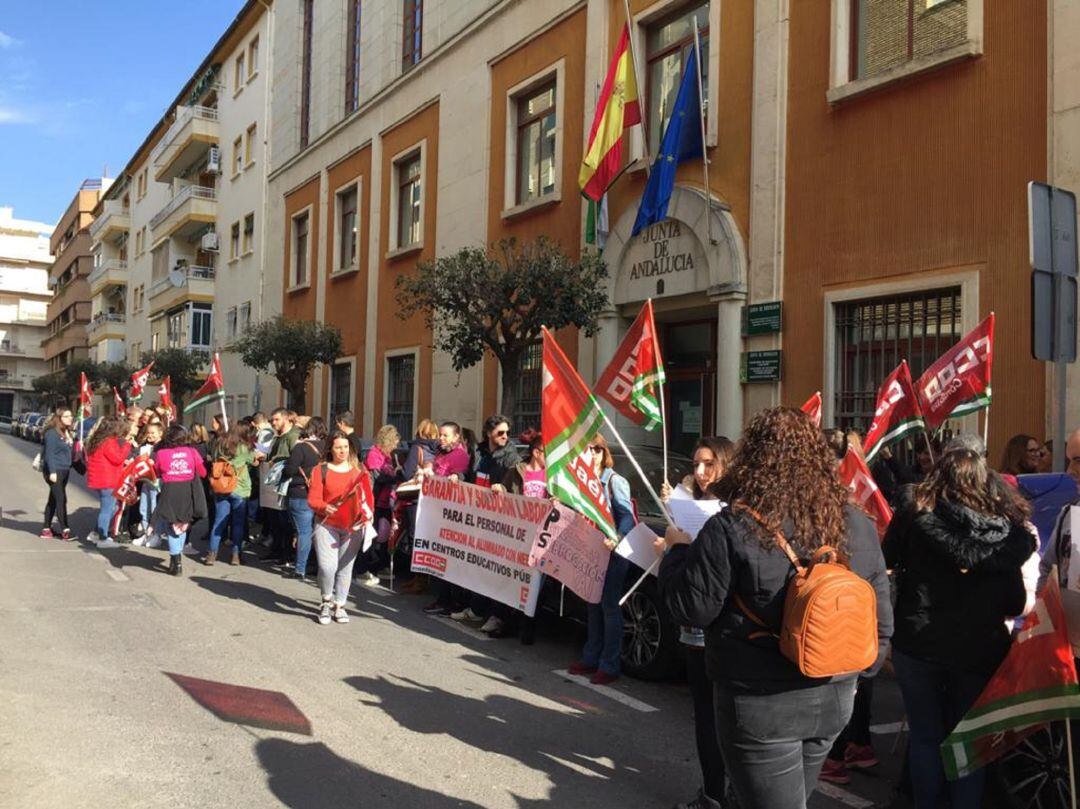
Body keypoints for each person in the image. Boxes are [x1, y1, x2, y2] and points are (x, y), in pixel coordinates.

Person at [657, 407, 892, 809]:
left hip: (759, 702)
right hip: (834, 693)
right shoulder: (855, 522)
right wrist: (855, 677)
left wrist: (676, 553)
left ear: (753, 460)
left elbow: (690, 608)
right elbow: (880, 619)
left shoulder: (733, 526)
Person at [885, 449, 1034, 808]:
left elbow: (887, 558)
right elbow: (1014, 603)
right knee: (967, 740)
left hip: (919, 641)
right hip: (978, 646)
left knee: (925, 737)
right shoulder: (1004, 530)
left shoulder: (916, 516)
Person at [656, 436, 735, 809]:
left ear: (726, 464)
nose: (701, 472)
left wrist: (678, 549)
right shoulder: (692, 503)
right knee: (705, 717)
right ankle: (714, 791)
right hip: (695, 632)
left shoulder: (732, 512)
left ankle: (720, 795)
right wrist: (670, 546)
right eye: (696, 464)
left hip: (722, 631)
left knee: (723, 720)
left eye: (709, 464)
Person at [567, 433, 636, 684]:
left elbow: (626, 515)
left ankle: (609, 665)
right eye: (588, 449)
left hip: (613, 553)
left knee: (609, 607)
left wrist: (618, 537)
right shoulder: (581, 480)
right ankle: (590, 657)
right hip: (591, 551)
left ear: (604, 452)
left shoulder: (614, 481)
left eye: (597, 449)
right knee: (592, 605)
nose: (593, 454)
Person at [307, 430, 375, 625]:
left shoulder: (359, 472)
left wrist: (368, 516)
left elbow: (368, 500)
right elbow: (313, 499)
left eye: (345, 447)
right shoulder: (320, 470)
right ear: (330, 449)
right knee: (327, 567)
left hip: (352, 527)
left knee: (345, 567)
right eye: (338, 447)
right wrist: (323, 506)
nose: (343, 451)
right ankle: (326, 600)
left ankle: (340, 605)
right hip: (326, 524)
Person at [151, 425, 208, 576]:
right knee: (182, 525)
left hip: (169, 492)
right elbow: (203, 473)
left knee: (172, 527)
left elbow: (157, 473)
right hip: (188, 492)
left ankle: (176, 561)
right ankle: (176, 558)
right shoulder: (192, 451)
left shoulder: (161, 453)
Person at [396, 419, 440, 594]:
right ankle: (421, 578)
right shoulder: (438, 450)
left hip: (414, 498)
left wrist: (398, 469)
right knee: (425, 539)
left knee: (415, 538)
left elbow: (407, 473)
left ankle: (418, 579)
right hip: (431, 499)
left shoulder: (417, 448)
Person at [206, 421, 256, 566]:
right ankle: (236, 555)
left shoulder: (220, 444)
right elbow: (253, 461)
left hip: (222, 486)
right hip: (239, 487)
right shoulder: (244, 447)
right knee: (238, 523)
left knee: (218, 522)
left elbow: (214, 460)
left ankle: (211, 554)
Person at [283, 416, 327, 580]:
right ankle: (320, 566)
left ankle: (300, 569)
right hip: (322, 495)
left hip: (301, 492)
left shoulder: (301, 447)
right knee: (320, 532)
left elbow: (289, 470)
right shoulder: (328, 448)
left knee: (304, 532)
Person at [358, 424, 402, 585]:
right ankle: (362, 570)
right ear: (388, 440)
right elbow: (379, 477)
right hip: (375, 501)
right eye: (395, 441)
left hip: (386, 502)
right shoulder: (374, 454)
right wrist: (397, 476)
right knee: (370, 535)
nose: (397, 445)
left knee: (385, 536)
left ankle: (382, 566)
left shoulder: (389, 456)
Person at [84, 416, 135, 547]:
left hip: (99, 479)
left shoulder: (98, 440)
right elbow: (117, 458)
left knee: (112, 508)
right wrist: (127, 444)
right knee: (107, 510)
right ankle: (102, 538)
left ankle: (95, 533)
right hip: (107, 480)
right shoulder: (109, 441)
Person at [260, 408, 301, 565]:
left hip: (287, 484)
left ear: (286, 419)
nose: (273, 423)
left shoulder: (293, 436)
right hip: (275, 484)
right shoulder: (277, 437)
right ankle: (276, 550)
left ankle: (286, 554)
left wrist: (278, 460)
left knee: (285, 521)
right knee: (275, 520)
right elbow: (272, 454)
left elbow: (295, 458)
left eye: (276, 419)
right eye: (272, 420)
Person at [40, 408, 75, 540]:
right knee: (61, 499)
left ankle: (46, 528)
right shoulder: (51, 433)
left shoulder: (67, 432)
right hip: (55, 470)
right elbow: (49, 454)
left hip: (65, 469)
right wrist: (52, 472)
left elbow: (68, 453)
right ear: (59, 418)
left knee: (53, 499)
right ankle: (65, 529)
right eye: (66, 416)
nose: (70, 418)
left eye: (70, 416)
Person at [132, 421, 164, 547]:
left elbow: (163, 463)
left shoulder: (163, 446)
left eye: (152, 433)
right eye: (148, 432)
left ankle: (156, 534)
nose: (149, 435)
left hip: (157, 480)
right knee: (144, 507)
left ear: (160, 433)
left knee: (155, 508)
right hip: (145, 479)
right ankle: (146, 533)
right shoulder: (146, 446)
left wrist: (153, 462)